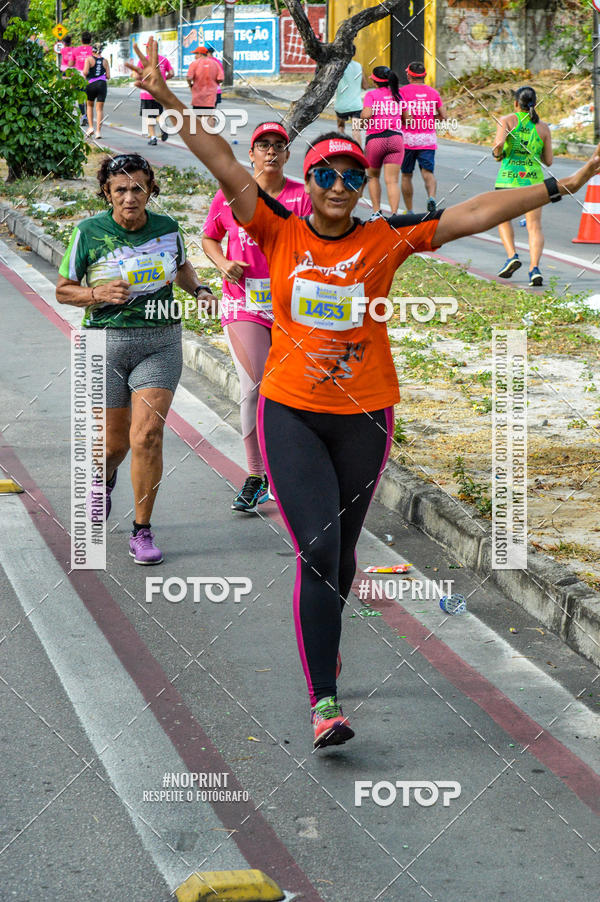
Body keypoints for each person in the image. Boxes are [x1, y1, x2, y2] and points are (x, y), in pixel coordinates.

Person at [130, 37, 600, 748]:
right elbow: (222, 162)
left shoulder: (385, 239)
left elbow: (475, 213)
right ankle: (325, 701)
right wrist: (168, 101)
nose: (344, 185)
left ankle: (328, 635)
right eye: (329, 176)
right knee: (318, 549)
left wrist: (560, 186)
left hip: (365, 417)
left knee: (342, 556)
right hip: (291, 412)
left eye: (353, 176)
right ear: (309, 184)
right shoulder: (276, 228)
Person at [55, 153, 216, 564]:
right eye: (121, 189)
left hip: (159, 340)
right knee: (112, 445)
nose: (130, 197)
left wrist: (198, 290)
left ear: (150, 190)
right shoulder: (88, 232)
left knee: (147, 436)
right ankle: (103, 478)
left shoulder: (167, 229)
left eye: (138, 188)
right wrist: (96, 294)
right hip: (104, 344)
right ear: (107, 192)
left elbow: (181, 269)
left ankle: (142, 531)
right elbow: (63, 289)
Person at [202, 122, 312, 512]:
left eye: (277, 146)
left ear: (286, 155)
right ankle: (255, 475)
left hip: (296, 308)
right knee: (254, 388)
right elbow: (208, 236)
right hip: (243, 303)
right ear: (250, 154)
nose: (270, 152)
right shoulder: (232, 195)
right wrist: (223, 263)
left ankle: (290, 471)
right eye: (262, 145)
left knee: (296, 391)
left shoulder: (303, 197)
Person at [493, 86, 553, 286]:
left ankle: (512, 256)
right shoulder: (543, 127)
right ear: (534, 104)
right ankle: (534, 269)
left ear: (516, 103)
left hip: (508, 180)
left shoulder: (507, 121)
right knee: (534, 227)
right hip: (534, 181)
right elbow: (549, 161)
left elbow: (498, 150)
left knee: (502, 219)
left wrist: (498, 152)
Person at [400, 61, 445, 214]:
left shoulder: (402, 92)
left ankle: (410, 210)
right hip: (427, 139)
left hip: (408, 140)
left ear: (409, 75)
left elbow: (397, 114)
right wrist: (430, 118)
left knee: (406, 175)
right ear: (424, 75)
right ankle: (431, 198)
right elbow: (443, 115)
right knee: (428, 172)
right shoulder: (433, 93)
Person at [361, 66, 407, 215]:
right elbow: (408, 119)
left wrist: (362, 121)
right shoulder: (398, 95)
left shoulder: (371, 95)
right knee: (392, 180)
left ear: (375, 81)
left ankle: (377, 213)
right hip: (395, 139)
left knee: (373, 176)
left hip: (376, 140)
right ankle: (394, 215)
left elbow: (367, 115)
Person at [137, 46, 174, 145]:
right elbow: (171, 73)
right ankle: (163, 126)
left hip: (147, 92)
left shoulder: (143, 60)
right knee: (158, 113)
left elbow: (137, 75)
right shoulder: (163, 60)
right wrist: (164, 79)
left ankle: (153, 138)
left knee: (149, 115)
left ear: (149, 49)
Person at [335, 50, 368, 146]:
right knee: (356, 131)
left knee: (341, 129)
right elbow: (365, 86)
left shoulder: (338, 67)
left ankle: (342, 152)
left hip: (341, 106)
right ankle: (358, 155)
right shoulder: (359, 66)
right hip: (356, 106)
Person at [83, 44, 110, 139]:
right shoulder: (105, 61)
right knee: (100, 109)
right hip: (102, 85)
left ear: (92, 51)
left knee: (89, 106)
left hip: (91, 84)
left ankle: (90, 127)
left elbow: (85, 72)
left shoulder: (89, 59)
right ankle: (98, 131)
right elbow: (108, 76)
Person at [186, 45, 222, 110]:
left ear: (200, 54)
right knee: (210, 116)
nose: (195, 56)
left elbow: (189, 77)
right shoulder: (215, 63)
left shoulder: (194, 64)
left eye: (195, 54)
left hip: (198, 97)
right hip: (211, 97)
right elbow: (220, 79)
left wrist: (190, 85)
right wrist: (214, 83)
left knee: (198, 117)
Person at [74, 31, 94, 126]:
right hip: (90, 76)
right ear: (90, 40)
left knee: (81, 97)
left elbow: (70, 63)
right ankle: (88, 116)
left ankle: (83, 116)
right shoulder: (93, 50)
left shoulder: (76, 50)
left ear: (81, 40)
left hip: (79, 77)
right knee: (89, 98)